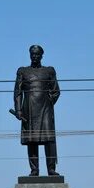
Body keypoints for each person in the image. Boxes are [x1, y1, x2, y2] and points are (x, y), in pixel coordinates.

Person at [14, 44, 61, 177]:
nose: (35, 56)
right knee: (32, 140)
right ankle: (34, 170)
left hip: (45, 110)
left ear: (41, 56)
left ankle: (51, 169)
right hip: (29, 109)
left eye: (37, 54)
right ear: (30, 55)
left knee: (49, 139)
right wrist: (18, 110)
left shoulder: (49, 71)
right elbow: (18, 92)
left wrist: (49, 102)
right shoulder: (23, 71)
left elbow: (56, 91)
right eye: (32, 54)